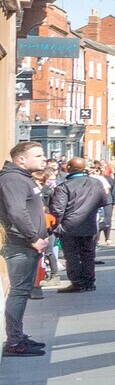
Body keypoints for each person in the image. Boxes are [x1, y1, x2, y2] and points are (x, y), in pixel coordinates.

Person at [1, 142, 51, 357]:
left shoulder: (23, 178)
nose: (44, 159)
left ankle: (18, 336)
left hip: (26, 244)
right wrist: (33, 238)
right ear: (21, 159)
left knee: (22, 291)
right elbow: (17, 212)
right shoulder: (13, 179)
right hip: (19, 244)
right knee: (19, 292)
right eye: (38, 155)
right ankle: (14, 342)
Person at [47, 158, 108, 292]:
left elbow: (57, 210)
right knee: (88, 255)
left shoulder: (64, 186)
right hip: (89, 224)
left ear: (69, 168)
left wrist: (54, 227)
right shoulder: (96, 183)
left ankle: (78, 283)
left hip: (69, 227)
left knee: (72, 256)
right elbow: (104, 201)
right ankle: (89, 282)